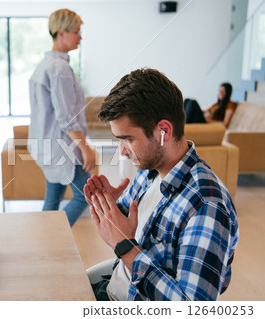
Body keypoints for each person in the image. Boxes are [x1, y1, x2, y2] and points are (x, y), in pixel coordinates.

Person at [83, 68, 239, 301]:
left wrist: (126, 248)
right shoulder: (149, 172)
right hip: (110, 290)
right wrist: (109, 207)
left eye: (128, 139)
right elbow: (129, 226)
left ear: (163, 131)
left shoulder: (206, 205)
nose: (122, 152)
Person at [28, 9, 95, 226]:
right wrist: (85, 148)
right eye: (76, 32)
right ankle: (54, 236)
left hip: (47, 146)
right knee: (85, 195)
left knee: (53, 196)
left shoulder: (44, 66)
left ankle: (47, 240)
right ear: (60, 33)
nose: (80, 37)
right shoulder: (59, 68)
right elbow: (66, 117)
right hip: (62, 148)